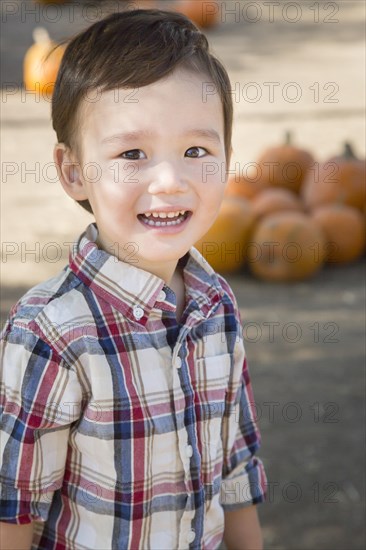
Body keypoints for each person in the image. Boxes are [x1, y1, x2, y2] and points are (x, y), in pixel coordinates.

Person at [0, 8, 267, 550]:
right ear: (74, 171)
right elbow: (13, 509)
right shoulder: (52, 333)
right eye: (132, 154)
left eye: (196, 151)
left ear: (227, 158)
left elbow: (235, 467)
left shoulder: (216, 304)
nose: (169, 181)